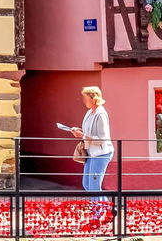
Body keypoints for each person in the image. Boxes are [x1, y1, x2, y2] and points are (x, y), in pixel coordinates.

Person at [69, 86, 113, 225]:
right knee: (87, 184)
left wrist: (83, 136)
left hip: (101, 153)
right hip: (91, 152)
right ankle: (108, 208)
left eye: (86, 98)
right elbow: (88, 132)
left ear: (93, 99)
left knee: (94, 185)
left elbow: (102, 139)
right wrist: (79, 131)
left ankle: (97, 216)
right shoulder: (89, 112)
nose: (84, 100)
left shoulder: (101, 115)